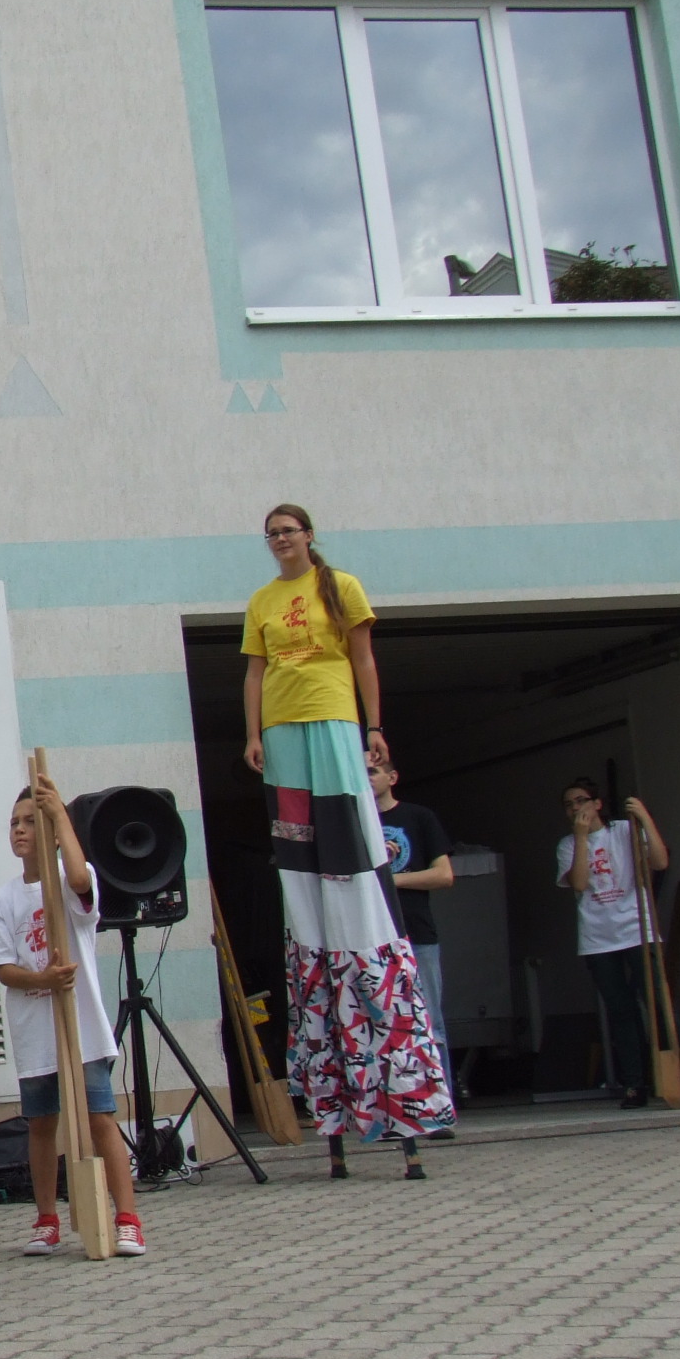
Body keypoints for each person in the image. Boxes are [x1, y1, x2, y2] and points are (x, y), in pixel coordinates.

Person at [239, 504, 451, 1180]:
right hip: (282, 728)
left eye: (288, 531)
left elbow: (362, 656)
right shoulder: (261, 601)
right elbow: (254, 672)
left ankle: (399, 1093)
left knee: (347, 842)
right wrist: (253, 735)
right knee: (297, 845)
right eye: (271, 533)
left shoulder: (340, 586)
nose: (280, 540)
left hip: (333, 717)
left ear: (308, 536)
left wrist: (374, 727)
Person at [0, 776, 147, 1257]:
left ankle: (127, 1218)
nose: (19, 829)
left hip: (82, 1030)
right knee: (40, 1124)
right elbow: (2, 967)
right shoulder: (7, 898)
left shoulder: (73, 877)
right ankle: (47, 1218)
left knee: (100, 1118)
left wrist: (60, 816)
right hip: (36, 1033)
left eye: (31, 821)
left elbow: (78, 881)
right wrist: (43, 979)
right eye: (14, 822)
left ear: (52, 832)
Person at [557, 778, 672, 1110]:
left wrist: (645, 817)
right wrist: (581, 838)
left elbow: (660, 862)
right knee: (621, 1010)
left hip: (637, 928)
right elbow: (580, 884)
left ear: (597, 804)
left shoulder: (624, 830)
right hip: (598, 937)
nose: (576, 808)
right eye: (569, 804)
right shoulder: (567, 845)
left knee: (658, 1002)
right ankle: (635, 1083)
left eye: (581, 800)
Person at [367, 759, 454, 1094]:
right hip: (369, 937)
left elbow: (444, 875)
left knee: (430, 1023)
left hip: (416, 932)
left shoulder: (419, 817)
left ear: (392, 777)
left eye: (372, 772)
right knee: (380, 1025)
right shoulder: (353, 821)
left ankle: (441, 1103)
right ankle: (399, 1103)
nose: (366, 778)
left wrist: (391, 880)